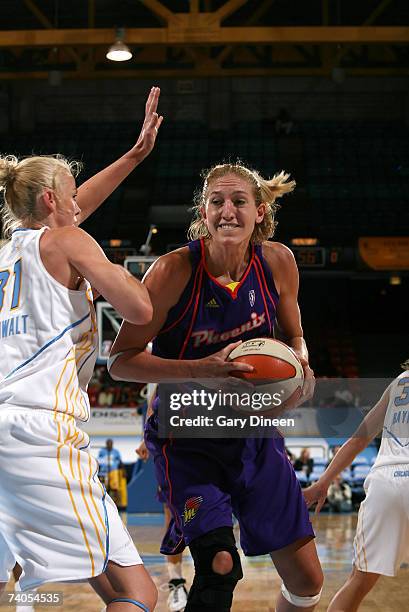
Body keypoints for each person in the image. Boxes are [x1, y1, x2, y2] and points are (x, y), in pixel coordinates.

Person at [109, 161, 323, 612]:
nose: (227, 211)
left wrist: (300, 362)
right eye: (216, 202)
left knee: (307, 581)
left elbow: (294, 336)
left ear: (260, 211)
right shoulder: (172, 272)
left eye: (239, 201)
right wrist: (201, 370)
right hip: (187, 443)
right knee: (219, 563)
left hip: (254, 437)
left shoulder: (279, 262)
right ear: (202, 213)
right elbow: (121, 362)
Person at [0, 86, 163, 612]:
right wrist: (119, 271)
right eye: (70, 195)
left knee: (30, 580)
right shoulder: (68, 242)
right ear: (52, 201)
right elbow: (139, 310)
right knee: (139, 593)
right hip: (38, 433)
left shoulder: (10, 251)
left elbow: (72, 211)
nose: (79, 204)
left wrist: (134, 155)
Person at [304, 365, 409, 612]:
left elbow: (360, 437)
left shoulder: (401, 381)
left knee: (358, 582)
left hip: (386, 482)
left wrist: (323, 482)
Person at [136, 384, 189, 612]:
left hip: (215, 443)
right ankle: (176, 582)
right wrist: (146, 436)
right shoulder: (164, 360)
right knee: (175, 519)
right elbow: (153, 402)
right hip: (174, 449)